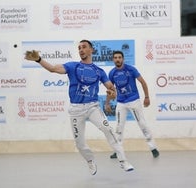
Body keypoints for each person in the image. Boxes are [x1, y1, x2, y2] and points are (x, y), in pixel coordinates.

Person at [24, 40, 134, 175]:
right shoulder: (72, 66)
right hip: (76, 110)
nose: (81, 50)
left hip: (92, 107)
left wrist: (111, 94)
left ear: (91, 50)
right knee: (79, 143)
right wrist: (39, 59)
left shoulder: (99, 71)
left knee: (108, 129)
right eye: (79, 48)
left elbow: (111, 88)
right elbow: (53, 69)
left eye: (84, 47)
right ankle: (90, 160)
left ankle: (123, 161)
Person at [105, 50, 159, 159]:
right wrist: (107, 102)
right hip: (121, 102)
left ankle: (153, 148)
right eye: (115, 57)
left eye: (120, 57)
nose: (117, 59)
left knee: (142, 124)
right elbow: (110, 90)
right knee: (119, 127)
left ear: (123, 59)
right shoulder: (112, 73)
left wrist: (147, 97)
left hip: (134, 101)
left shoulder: (131, 69)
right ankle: (117, 150)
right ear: (113, 60)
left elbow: (143, 82)